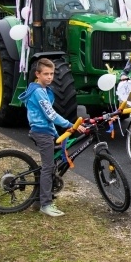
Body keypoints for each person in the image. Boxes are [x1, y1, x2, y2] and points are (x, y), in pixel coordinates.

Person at [18, 58, 83, 217]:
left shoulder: (42, 89)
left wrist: (56, 133)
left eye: (52, 74)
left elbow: (48, 118)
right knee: (48, 167)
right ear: (37, 74)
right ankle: (46, 205)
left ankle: (38, 200)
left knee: (50, 166)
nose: (49, 77)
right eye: (45, 74)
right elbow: (50, 114)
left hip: (46, 131)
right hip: (41, 132)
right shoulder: (39, 92)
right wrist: (70, 124)